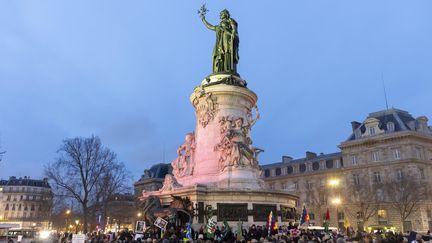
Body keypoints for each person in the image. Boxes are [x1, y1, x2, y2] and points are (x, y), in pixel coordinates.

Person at [201, 9, 239, 74]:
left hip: (227, 39)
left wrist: (233, 33)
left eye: (222, 13)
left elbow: (234, 28)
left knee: (227, 52)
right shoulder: (219, 26)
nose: (220, 15)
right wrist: (203, 19)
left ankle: (228, 68)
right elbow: (211, 27)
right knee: (217, 54)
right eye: (220, 14)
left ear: (226, 14)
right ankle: (220, 70)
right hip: (220, 42)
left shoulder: (230, 20)